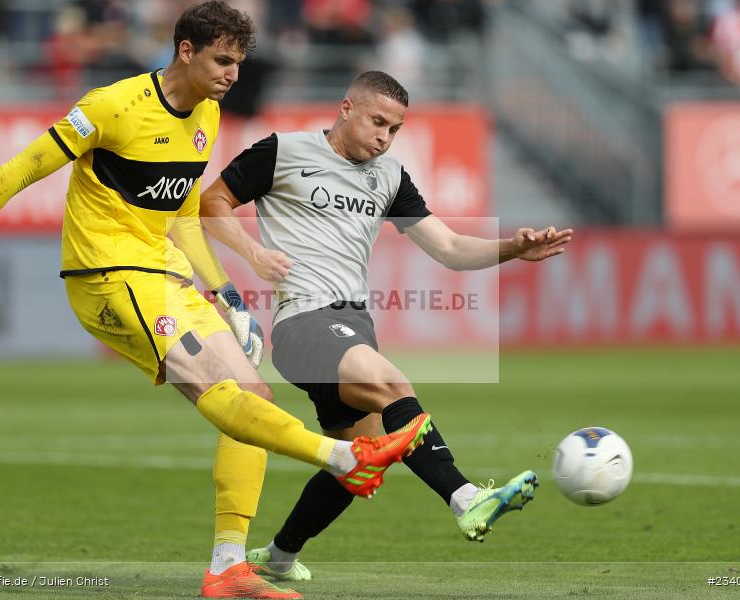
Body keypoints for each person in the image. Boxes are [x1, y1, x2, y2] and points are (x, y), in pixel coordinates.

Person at [0, 7, 432, 598]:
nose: (232, 74)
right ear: (185, 51)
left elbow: (181, 213)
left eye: (238, 63)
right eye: (222, 60)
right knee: (216, 390)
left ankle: (228, 567)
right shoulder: (112, 106)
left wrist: (227, 293)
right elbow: (22, 169)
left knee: (253, 395)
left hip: (165, 271)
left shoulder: (206, 113)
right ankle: (341, 456)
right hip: (106, 274)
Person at [199, 70, 573, 582]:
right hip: (304, 321)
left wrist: (514, 247)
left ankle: (281, 554)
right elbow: (210, 204)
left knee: (361, 460)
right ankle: (466, 498)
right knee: (395, 385)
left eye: (394, 129)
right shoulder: (282, 151)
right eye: (378, 122)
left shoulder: (390, 175)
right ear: (347, 107)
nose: (384, 137)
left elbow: (451, 248)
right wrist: (253, 253)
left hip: (354, 324)